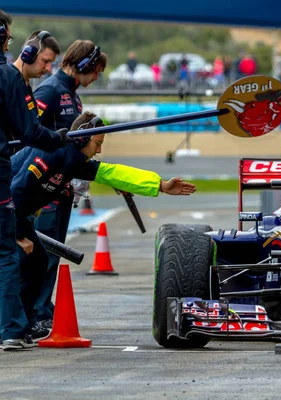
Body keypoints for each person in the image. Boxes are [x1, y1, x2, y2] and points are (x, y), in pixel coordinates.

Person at [9, 111, 197, 348]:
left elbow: (113, 172)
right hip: (8, 211)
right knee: (17, 265)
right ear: (81, 139)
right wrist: (18, 234)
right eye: (97, 144)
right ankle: (13, 329)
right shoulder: (52, 153)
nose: (99, 151)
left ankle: (21, 325)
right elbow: (14, 192)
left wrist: (160, 185)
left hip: (14, 213)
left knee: (35, 263)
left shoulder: (73, 159)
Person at [0, 18, 73, 350]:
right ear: (28, 52)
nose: (46, 69)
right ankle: (13, 329)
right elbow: (29, 132)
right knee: (9, 255)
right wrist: (58, 139)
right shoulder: (11, 78)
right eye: (44, 61)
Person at [32, 40, 108, 331]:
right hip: (43, 187)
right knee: (43, 253)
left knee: (53, 253)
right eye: (96, 70)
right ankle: (35, 313)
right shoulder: (50, 90)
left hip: (63, 186)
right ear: (84, 65)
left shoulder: (73, 96)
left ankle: (41, 309)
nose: (97, 77)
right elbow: (27, 135)